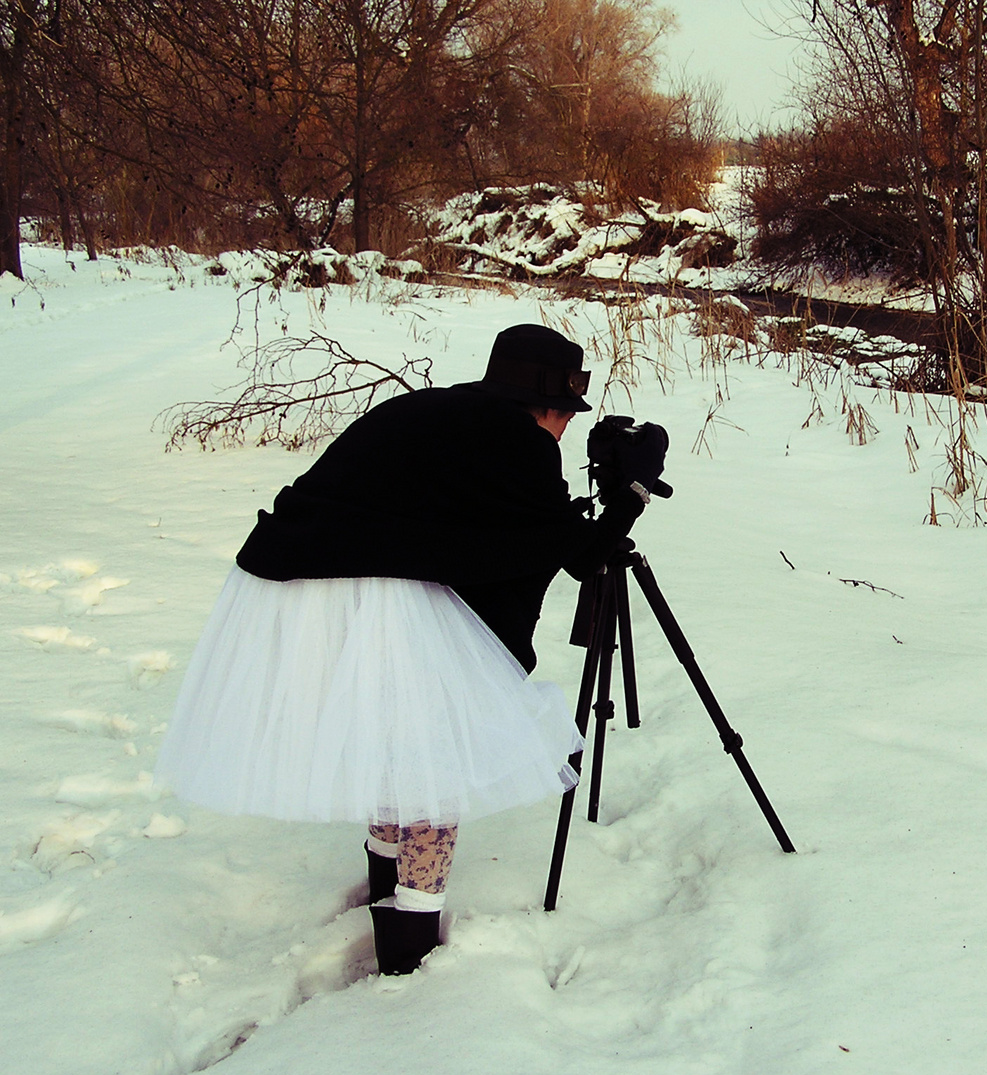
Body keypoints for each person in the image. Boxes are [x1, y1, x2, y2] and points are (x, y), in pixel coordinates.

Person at [155, 323, 669, 975]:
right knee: (435, 749)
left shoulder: (430, 410)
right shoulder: (518, 442)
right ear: (551, 407)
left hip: (290, 585)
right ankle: (407, 954)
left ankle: (385, 895)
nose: (565, 430)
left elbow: (495, 532)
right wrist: (634, 493)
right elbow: (577, 556)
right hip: (369, 592)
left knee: (397, 733)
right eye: (567, 414)